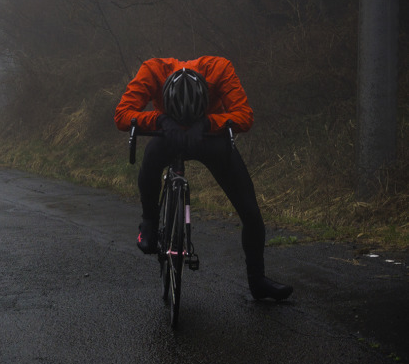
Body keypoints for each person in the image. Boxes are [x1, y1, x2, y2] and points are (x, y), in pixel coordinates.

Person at [114, 56, 293, 301]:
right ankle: (149, 223)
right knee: (151, 157)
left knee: (250, 212)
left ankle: (257, 281)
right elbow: (122, 115)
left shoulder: (219, 68)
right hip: (168, 132)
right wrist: (159, 119)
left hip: (208, 134)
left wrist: (209, 122)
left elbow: (244, 116)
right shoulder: (153, 69)